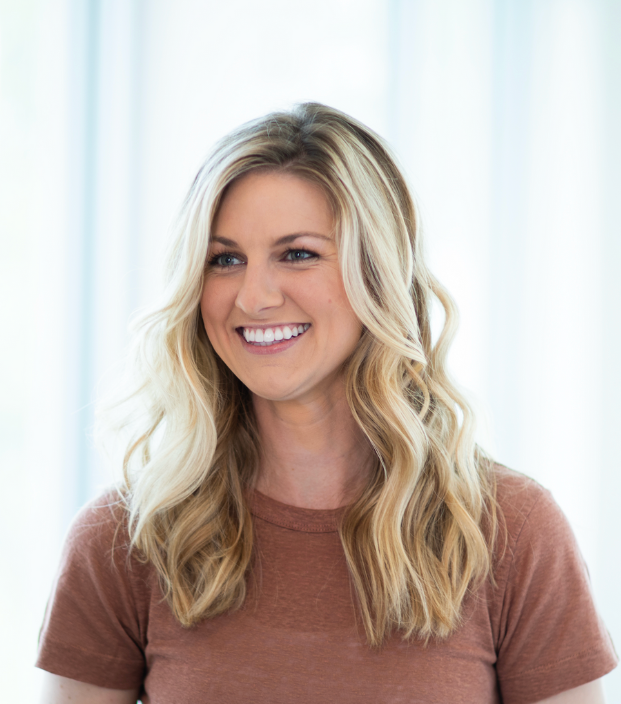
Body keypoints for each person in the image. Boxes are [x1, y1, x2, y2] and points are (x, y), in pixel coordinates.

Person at [35, 103, 617, 703]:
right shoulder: (124, 540)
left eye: (298, 254)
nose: (253, 298)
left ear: (378, 273)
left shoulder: (511, 531)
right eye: (224, 260)